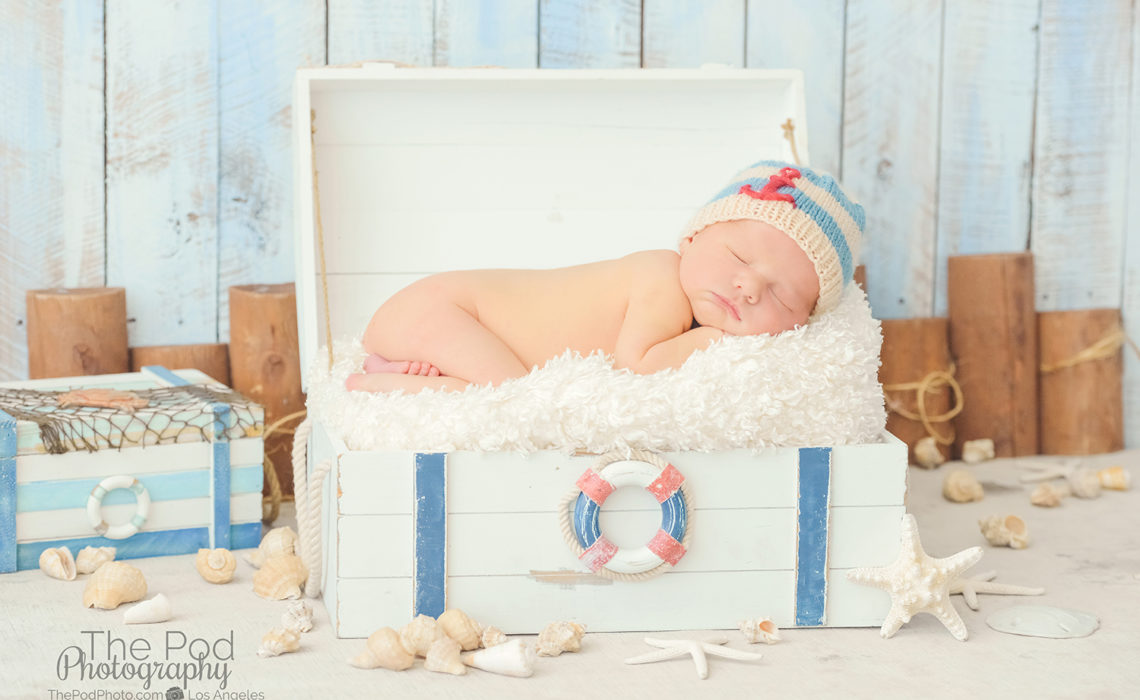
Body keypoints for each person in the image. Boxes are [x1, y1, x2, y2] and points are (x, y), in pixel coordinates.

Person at [346, 160, 864, 394]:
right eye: (739, 257)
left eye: (782, 294)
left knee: (498, 384)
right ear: (692, 239)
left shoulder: (684, 298)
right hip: (444, 310)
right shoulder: (661, 277)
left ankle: (402, 368)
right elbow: (638, 365)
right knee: (509, 396)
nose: (749, 287)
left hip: (443, 321)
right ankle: (378, 384)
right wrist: (712, 340)